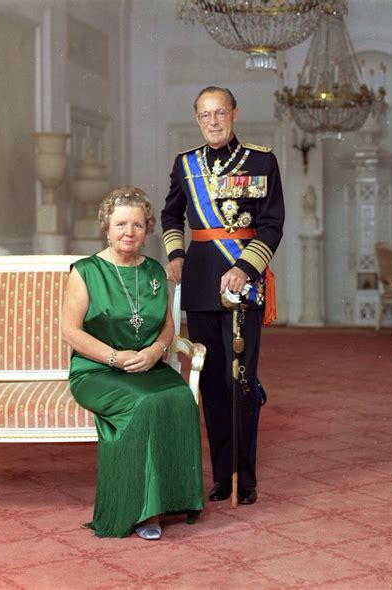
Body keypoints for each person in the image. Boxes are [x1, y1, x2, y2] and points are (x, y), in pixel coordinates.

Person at [161, 86, 285, 505]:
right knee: (211, 383)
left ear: (234, 113)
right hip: (199, 285)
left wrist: (244, 267)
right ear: (197, 119)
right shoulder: (185, 164)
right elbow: (170, 214)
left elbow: (271, 225)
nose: (213, 122)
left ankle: (245, 480)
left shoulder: (262, 160)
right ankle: (220, 477)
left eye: (220, 113)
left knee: (242, 383)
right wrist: (176, 253)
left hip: (243, 286)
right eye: (204, 115)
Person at [62, 186, 203, 539]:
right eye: (121, 224)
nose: (129, 232)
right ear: (106, 227)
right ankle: (144, 511)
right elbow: (70, 332)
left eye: (137, 225)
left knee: (179, 397)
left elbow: (168, 325)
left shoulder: (155, 271)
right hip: (97, 372)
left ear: (147, 228)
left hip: (147, 366)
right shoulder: (86, 271)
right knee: (143, 403)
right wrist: (114, 357)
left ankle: (175, 498)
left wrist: (156, 351)